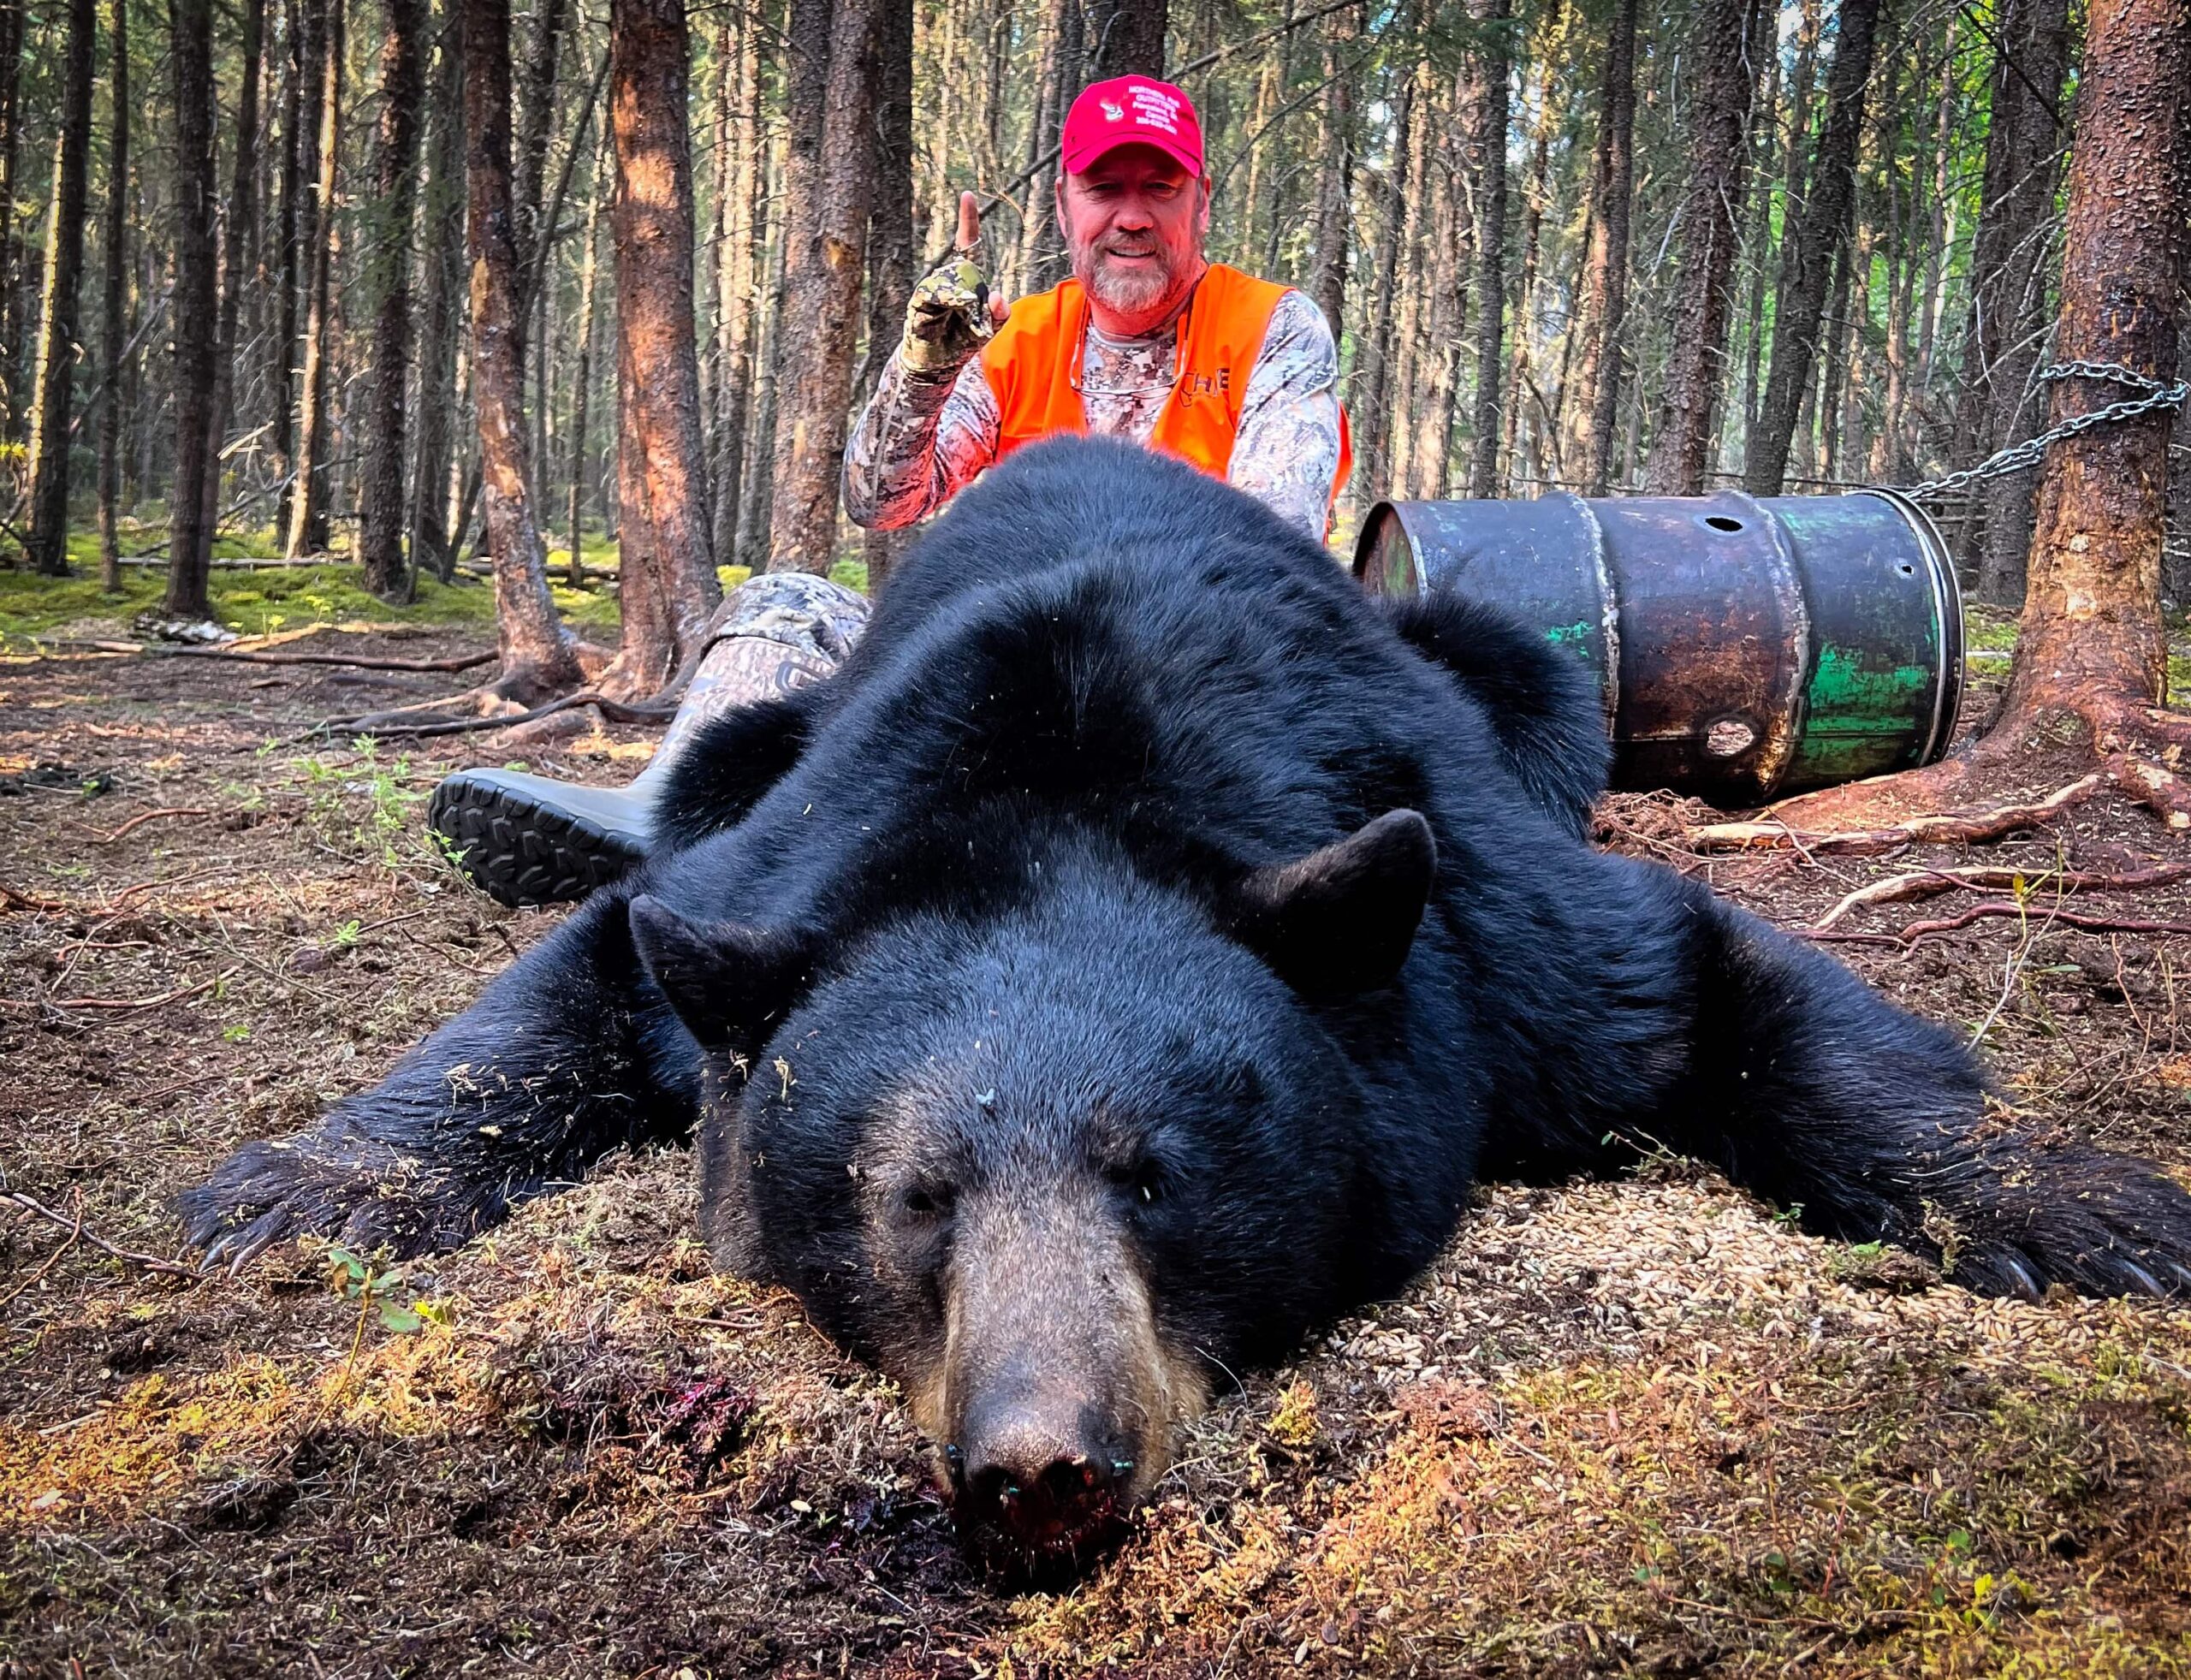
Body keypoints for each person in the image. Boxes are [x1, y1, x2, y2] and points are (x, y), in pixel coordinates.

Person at [429, 75, 1348, 908]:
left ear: (1203, 202)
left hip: (1185, 680)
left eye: (1161, 189)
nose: (1133, 217)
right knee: (785, 600)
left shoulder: (1272, 330)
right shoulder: (1018, 337)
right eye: (1106, 190)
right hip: (999, 669)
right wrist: (925, 369)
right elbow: (883, 498)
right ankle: (659, 821)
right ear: (1065, 209)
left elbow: (1273, 545)